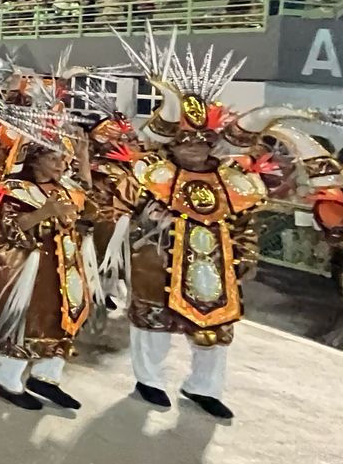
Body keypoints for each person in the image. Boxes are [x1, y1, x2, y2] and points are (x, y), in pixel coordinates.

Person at [117, 29, 316, 419]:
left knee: (216, 331)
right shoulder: (150, 174)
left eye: (202, 141)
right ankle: (149, 380)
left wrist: (246, 255)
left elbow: (244, 222)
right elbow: (123, 210)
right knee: (154, 325)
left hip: (216, 267)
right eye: (186, 141)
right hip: (158, 264)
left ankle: (203, 388)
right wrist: (148, 222)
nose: (195, 147)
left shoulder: (234, 180)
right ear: (171, 144)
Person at [0, 101, 95, 413]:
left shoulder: (67, 188)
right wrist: (43, 213)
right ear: (35, 159)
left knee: (61, 318)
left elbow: (90, 207)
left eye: (63, 158)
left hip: (64, 268)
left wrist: (84, 159)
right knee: (26, 322)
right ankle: (7, 380)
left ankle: (46, 377)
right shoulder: (15, 189)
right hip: (31, 272)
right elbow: (6, 231)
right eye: (53, 158)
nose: (61, 164)